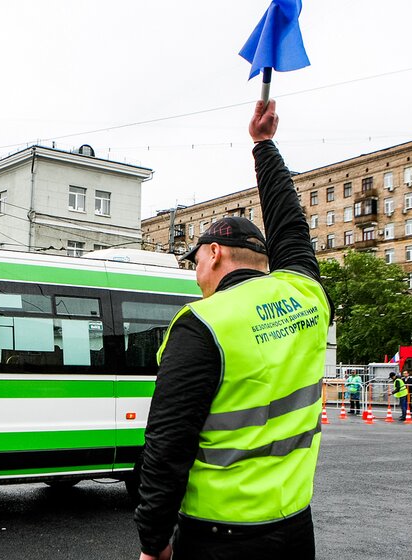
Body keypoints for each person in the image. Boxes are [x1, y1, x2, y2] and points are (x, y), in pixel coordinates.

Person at [134, 100, 331, 560]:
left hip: (218, 537)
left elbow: (167, 445)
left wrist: (153, 542)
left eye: (196, 259)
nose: (195, 271)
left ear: (215, 253)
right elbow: (291, 227)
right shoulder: (307, 297)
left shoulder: (202, 324)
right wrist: (265, 147)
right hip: (295, 529)